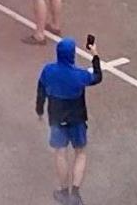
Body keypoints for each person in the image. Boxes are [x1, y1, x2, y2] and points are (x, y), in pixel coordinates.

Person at [40, 34, 106, 198]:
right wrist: (95, 55)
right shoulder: (80, 75)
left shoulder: (48, 70)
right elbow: (98, 77)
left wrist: (39, 109)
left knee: (60, 153)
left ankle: (63, 191)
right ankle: (75, 193)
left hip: (56, 119)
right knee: (80, 153)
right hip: (77, 119)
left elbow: (40, 90)